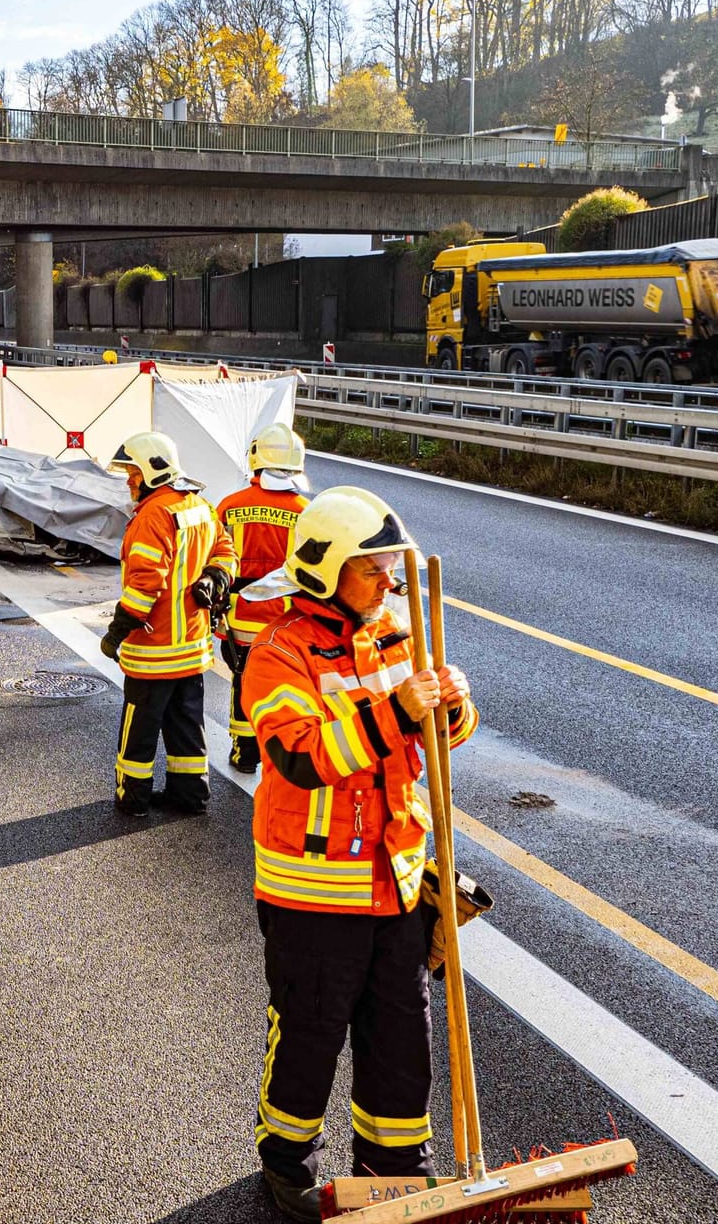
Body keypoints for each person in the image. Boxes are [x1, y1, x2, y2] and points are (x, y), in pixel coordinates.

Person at [238, 486, 478, 1222]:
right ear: (324, 571)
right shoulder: (278, 654)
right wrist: (397, 710)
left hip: (397, 880)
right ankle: (287, 1163)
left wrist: (454, 706)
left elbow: (439, 742)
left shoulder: (399, 629)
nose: (388, 582)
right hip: (313, 892)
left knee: (403, 1039)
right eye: (371, 569)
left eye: (389, 567)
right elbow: (302, 756)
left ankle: (396, 1167)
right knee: (309, 1036)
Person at [99, 432, 235, 816]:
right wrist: (215, 577)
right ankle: (190, 796)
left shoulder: (153, 517)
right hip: (192, 650)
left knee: (139, 733)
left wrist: (115, 633)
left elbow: (145, 586)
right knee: (187, 726)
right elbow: (226, 550)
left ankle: (133, 798)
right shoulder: (199, 505)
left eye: (133, 473)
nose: (129, 481)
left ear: (151, 472)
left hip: (153, 652)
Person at [214, 423, 312, 773]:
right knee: (284, 688)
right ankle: (279, 752)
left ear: (256, 460)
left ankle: (244, 753)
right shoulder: (307, 512)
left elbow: (213, 562)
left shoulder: (229, 506)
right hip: (285, 623)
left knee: (243, 681)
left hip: (239, 616)